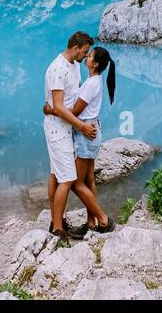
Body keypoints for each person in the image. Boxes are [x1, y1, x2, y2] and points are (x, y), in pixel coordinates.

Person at [43, 31, 98, 241]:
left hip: (68, 127)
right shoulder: (57, 68)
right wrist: (82, 127)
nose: (85, 57)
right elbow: (58, 106)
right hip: (57, 129)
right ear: (75, 48)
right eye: (84, 53)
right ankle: (58, 229)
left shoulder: (74, 66)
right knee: (67, 178)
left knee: (56, 174)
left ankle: (56, 220)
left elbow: (71, 100)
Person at [65, 45, 116, 232]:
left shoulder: (91, 84)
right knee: (88, 181)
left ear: (94, 64)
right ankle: (90, 223)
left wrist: (55, 110)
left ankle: (103, 220)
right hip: (91, 130)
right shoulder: (95, 80)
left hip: (86, 134)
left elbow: (76, 111)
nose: (86, 56)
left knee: (75, 184)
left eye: (90, 56)